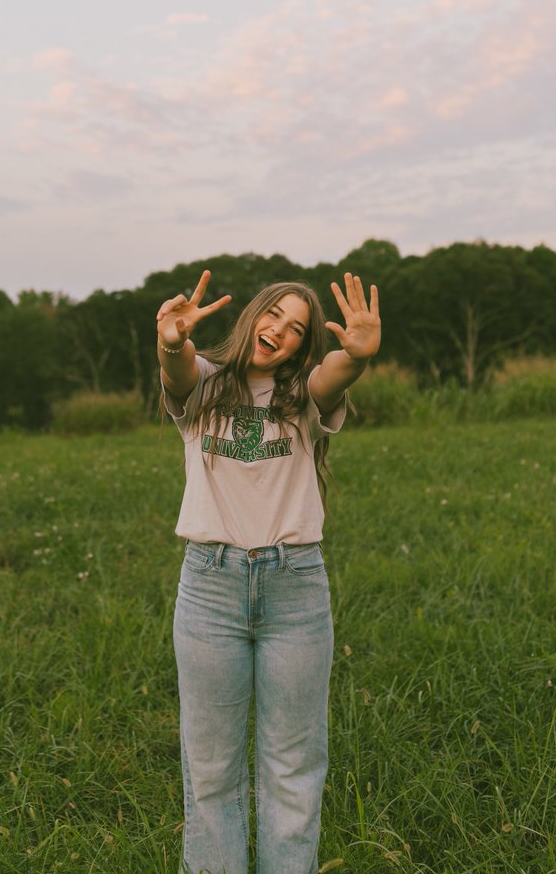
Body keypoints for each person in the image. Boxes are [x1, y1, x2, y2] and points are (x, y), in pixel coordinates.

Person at [156, 269, 381, 874]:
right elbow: (177, 370)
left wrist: (355, 356)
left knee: (292, 768)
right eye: (272, 316)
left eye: (296, 329)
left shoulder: (304, 394)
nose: (278, 331)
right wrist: (172, 342)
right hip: (209, 590)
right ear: (252, 316)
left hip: (295, 591)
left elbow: (336, 375)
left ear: (304, 347)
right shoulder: (202, 383)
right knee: (209, 772)